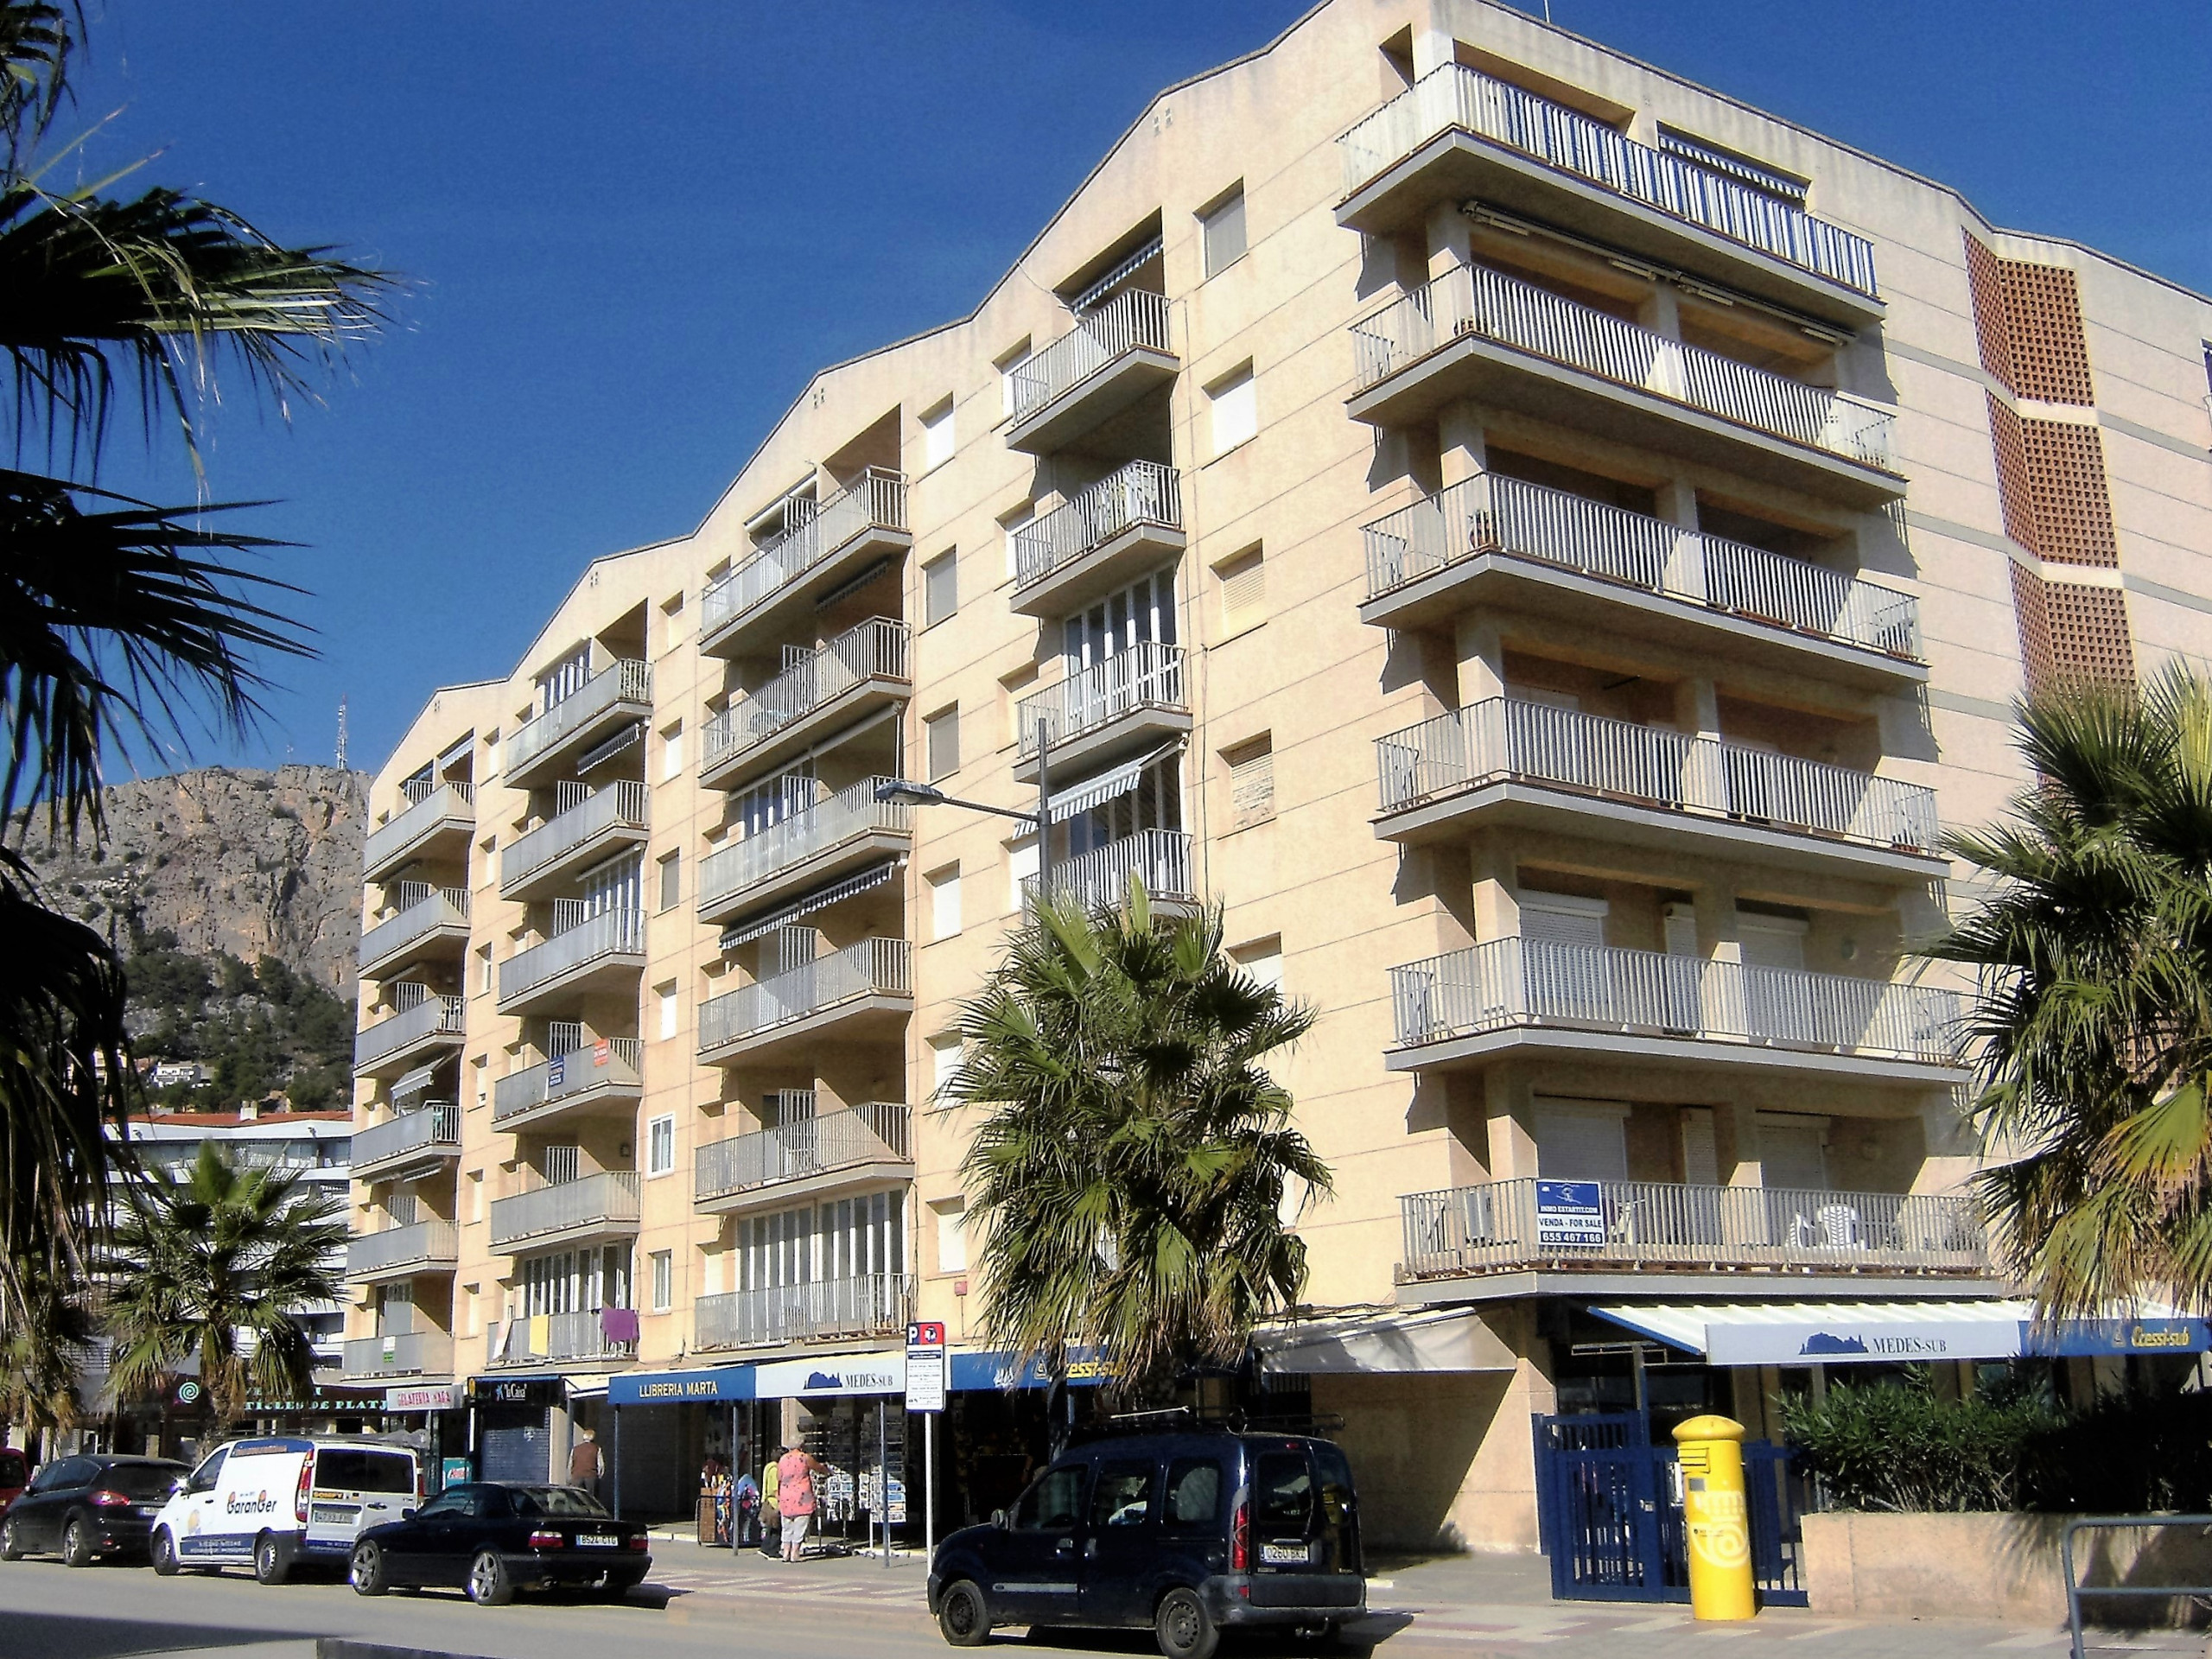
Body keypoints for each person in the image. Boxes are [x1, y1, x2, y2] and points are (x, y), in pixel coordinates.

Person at [775, 1440, 825, 1562]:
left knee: (787, 1525)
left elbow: (779, 1477)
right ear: (802, 1446)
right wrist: (826, 1470)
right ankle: (795, 1553)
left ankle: (785, 1552)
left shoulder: (783, 1459)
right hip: (802, 1495)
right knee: (800, 1524)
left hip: (786, 1495)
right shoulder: (804, 1457)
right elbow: (818, 1467)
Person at [569, 1426, 604, 1497]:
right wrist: (598, 1476)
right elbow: (600, 1465)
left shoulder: (575, 1449)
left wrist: (570, 1477)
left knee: (577, 1497)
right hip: (590, 1476)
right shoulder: (596, 1448)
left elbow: (570, 1464)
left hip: (577, 1476)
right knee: (590, 1497)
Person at [733, 1465, 760, 1551]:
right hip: (750, 1505)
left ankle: (745, 1538)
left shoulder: (744, 1481)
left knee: (745, 1522)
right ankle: (746, 1537)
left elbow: (739, 1493)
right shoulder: (748, 1480)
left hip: (747, 1506)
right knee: (748, 1522)